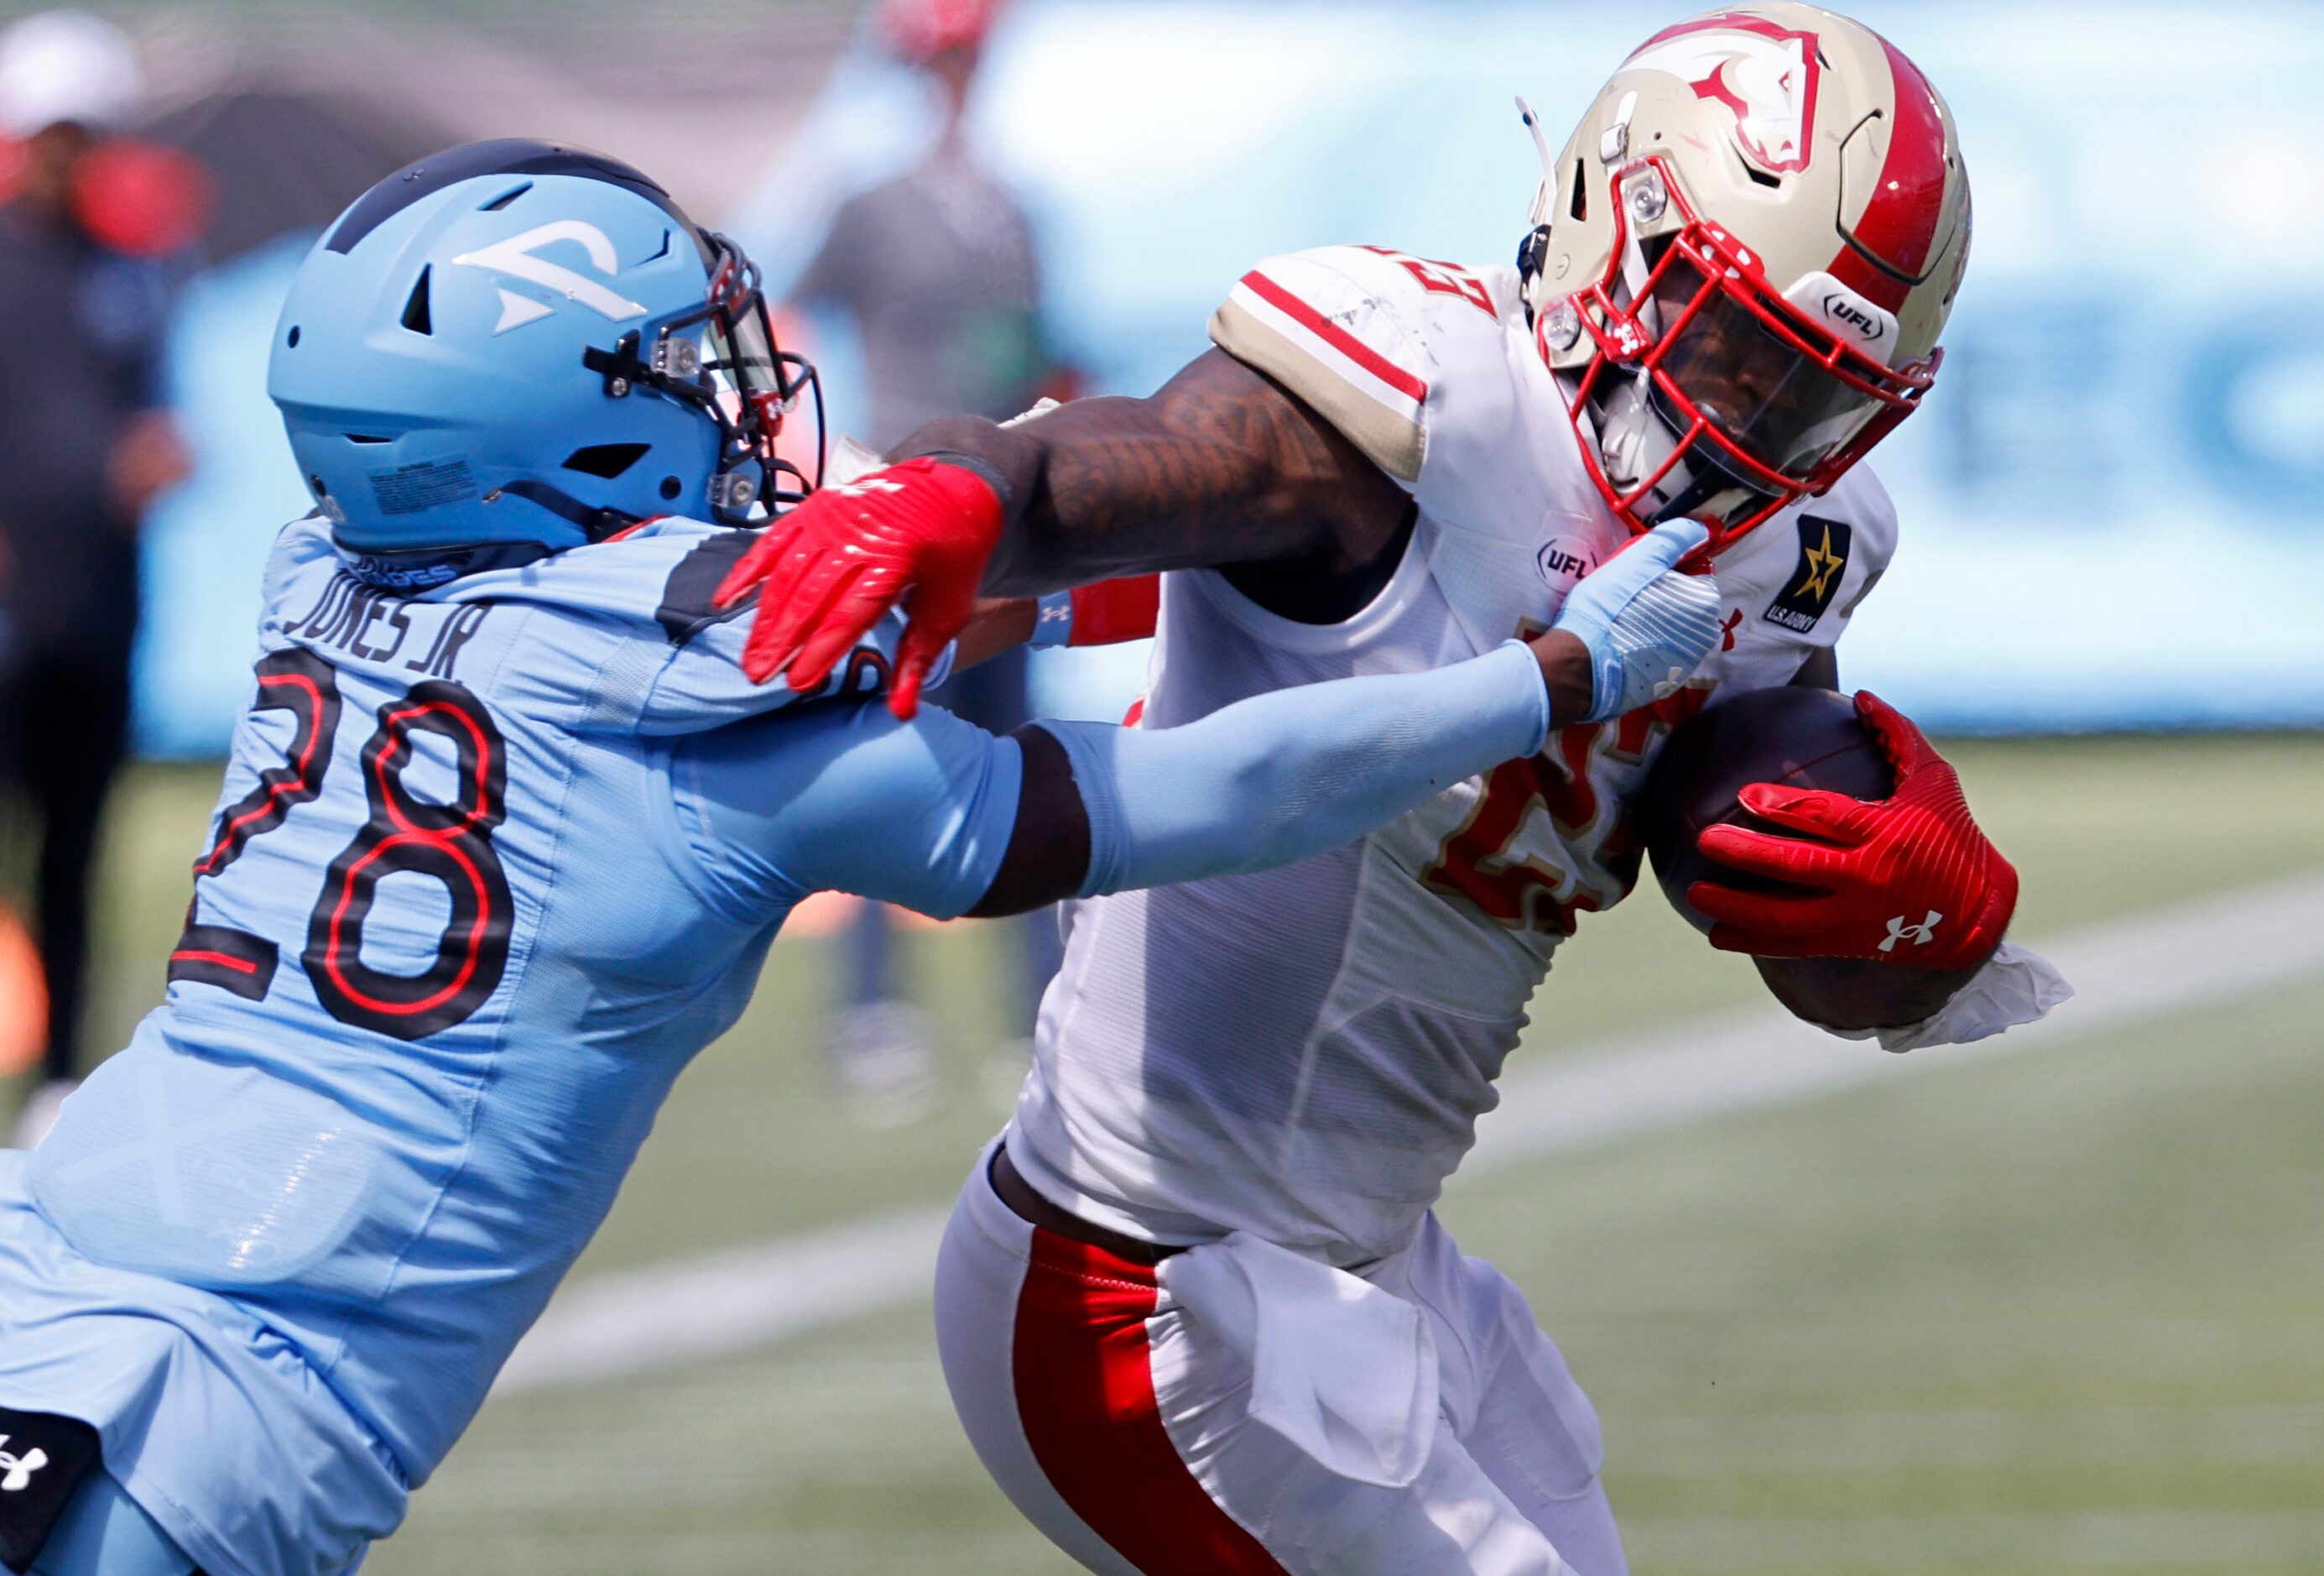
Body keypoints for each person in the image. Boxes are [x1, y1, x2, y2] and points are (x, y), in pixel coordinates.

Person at [0, 138, 1718, 1576]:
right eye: (682, 373)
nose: (740, 408)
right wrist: (1551, 676)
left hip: (43, 1256)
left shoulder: (317, 572)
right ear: (575, 430)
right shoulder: (717, 716)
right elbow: (1233, 796)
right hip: (221, 1399)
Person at [717, 7, 2071, 1571]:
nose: (1750, 434)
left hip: (1362, 1266)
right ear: (1607, 223)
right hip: (1134, 1281)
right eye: (1728, 347)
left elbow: (1776, 893)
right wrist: (961, 489)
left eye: (1813, 397)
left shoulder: (1795, 551)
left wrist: (1920, 918)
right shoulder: (1415, 402)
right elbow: (1111, 466)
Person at [789, 0, 1076, 1117]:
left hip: (1004, 513)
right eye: (944, 60)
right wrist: (828, 463)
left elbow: (1042, 343)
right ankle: (871, 1008)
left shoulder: (1011, 205)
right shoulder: (869, 201)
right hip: (905, 500)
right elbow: (790, 312)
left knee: (1017, 756)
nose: (957, 78)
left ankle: (1036, 1010)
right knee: (884, 752)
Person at [0, 11, 194, 1148]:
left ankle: (60, 1073)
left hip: (100, 601)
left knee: (76, 843)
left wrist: (158, 450)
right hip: (10, 602)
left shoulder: (135, 270)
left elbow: (146, 409)